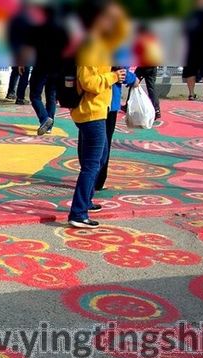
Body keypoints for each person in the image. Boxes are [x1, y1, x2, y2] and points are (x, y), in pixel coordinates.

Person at [67, 0, 129, 229]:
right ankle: (78, 212)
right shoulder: (92, 46)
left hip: (96, 110)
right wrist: (113, 78)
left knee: (97, 159)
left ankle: (86, 201)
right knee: (92, 163)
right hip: (91, 111)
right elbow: (87, 81)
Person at [96, 56, 136, 194]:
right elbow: (122, 74)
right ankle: (97, 180)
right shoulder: (117, 47)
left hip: (89, 102)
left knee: (88, 141)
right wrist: (133, 79)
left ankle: (90, 177)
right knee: (103, 144)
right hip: (108, 101)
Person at [28, 4, 69, 135]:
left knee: (34, 95)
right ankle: (49, 125)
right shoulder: (62, 28)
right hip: (56, 67)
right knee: (51, 96)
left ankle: (45, 119)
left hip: (42, 66)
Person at [133, 24, 162, 123]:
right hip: (153, 66)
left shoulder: (141, 39)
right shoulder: (153, 39)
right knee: (151, 87)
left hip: (144, 66)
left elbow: (135, 52)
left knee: (133, 82)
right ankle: (157, 109)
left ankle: (129, 105)